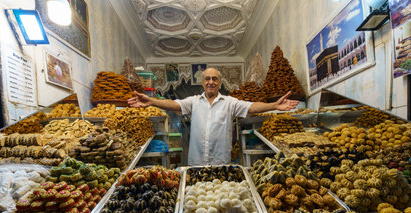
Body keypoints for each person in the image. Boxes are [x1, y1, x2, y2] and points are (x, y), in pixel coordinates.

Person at [128, 67, 299, 165]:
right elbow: (174, 105)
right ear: (202, 82)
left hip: (221, 162)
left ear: (220, 83)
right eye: (208, 79)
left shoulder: (230, 102)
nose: (211, 82)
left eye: (215, 79)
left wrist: (273, 105)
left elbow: (252, 107)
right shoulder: (194, 101)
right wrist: (151, 101)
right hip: (196, 162)